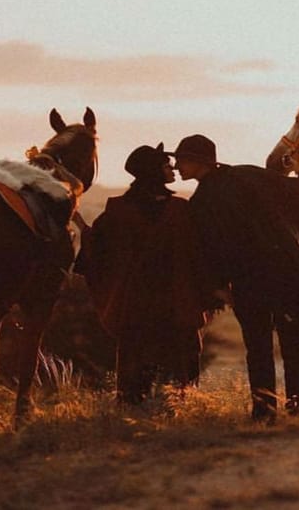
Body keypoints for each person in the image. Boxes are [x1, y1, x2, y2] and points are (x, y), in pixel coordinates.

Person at [172, 134, 299, 422]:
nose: (177, 166)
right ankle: (297, 407)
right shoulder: (247, 175)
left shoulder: (200, 203)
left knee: (258, 346)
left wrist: (218, 287)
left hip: (249, 282)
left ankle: (264, 412)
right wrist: (292, 238)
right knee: (292, 342)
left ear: (197, 161)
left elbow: (208, 251)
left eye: (181, 160)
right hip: (284, 274)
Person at [75, 143, 217, 405]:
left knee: (135, 361)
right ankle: (183, 406)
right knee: (180, 363)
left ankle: (132, 409)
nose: (172, 168)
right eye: (165, 165)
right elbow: (199, 254)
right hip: (175, 301)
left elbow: (98, 250)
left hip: (135, 304)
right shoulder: (179, 210)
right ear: (153, 172)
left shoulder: (119, 210)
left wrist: (83, 229)